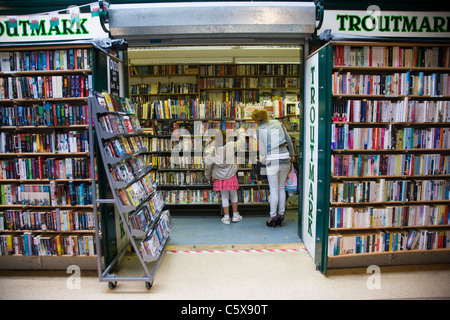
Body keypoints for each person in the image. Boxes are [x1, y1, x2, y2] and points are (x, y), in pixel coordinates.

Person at [251, 109, 295, 227]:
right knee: (281, 188)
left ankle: (272, 216)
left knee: (274, 189)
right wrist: (292, 154)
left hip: (272, 160)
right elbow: (289, 140)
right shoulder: (278, 123)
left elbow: (263, 150)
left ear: (257, 120)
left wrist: (262, 161)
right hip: (285, 158)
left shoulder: (260, 130)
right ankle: (281, 214)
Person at [204, 127, 246, 225]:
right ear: (225, 139)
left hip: (219, 177)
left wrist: (208, 176)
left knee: (224, 197)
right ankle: (235, 215)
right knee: (234, 196)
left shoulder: (211, 150)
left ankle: (226, 218)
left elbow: (208, 165)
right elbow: (241, 142)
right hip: (231, 176)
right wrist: (241, 131)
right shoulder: (231, 146)